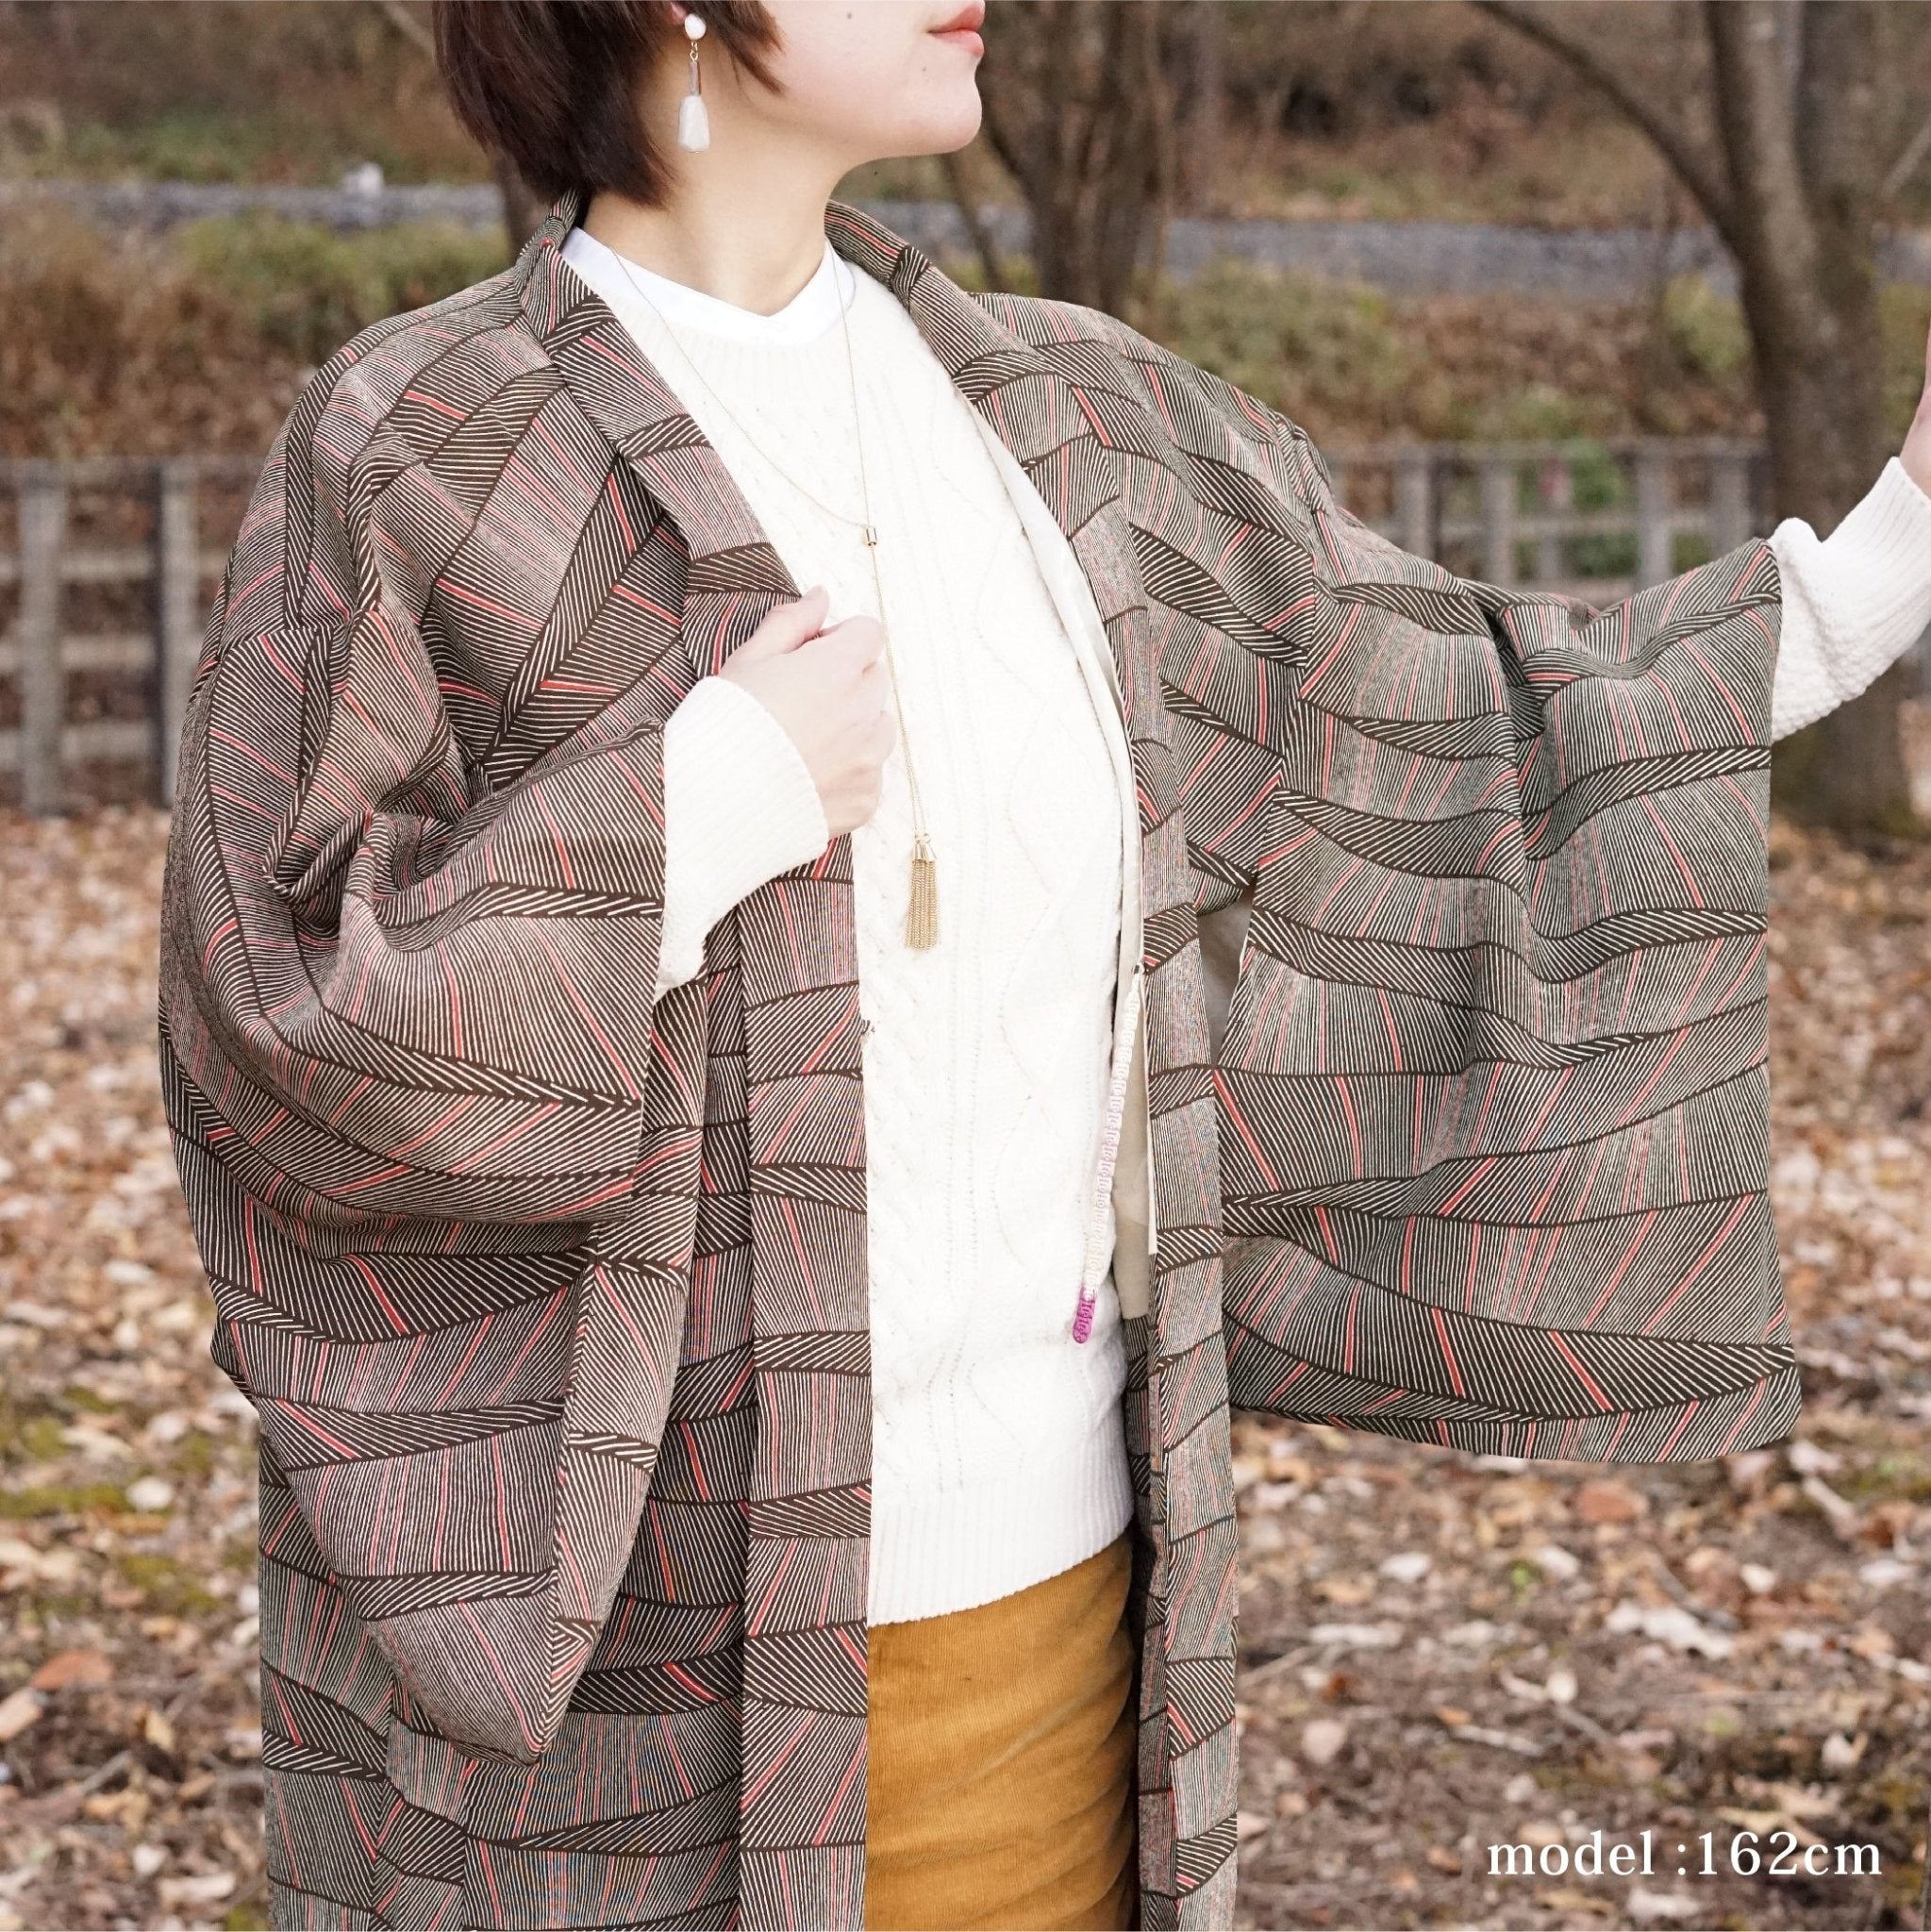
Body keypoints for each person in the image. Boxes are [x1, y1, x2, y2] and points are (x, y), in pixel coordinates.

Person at [155, 4, 1931, 1927]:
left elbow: (1451, 726)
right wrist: (700, 808)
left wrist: (1890, 554)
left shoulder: (1063, 419)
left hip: (1073, 1661)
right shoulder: (420, 442)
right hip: (622, 1731)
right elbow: (278, 1025)